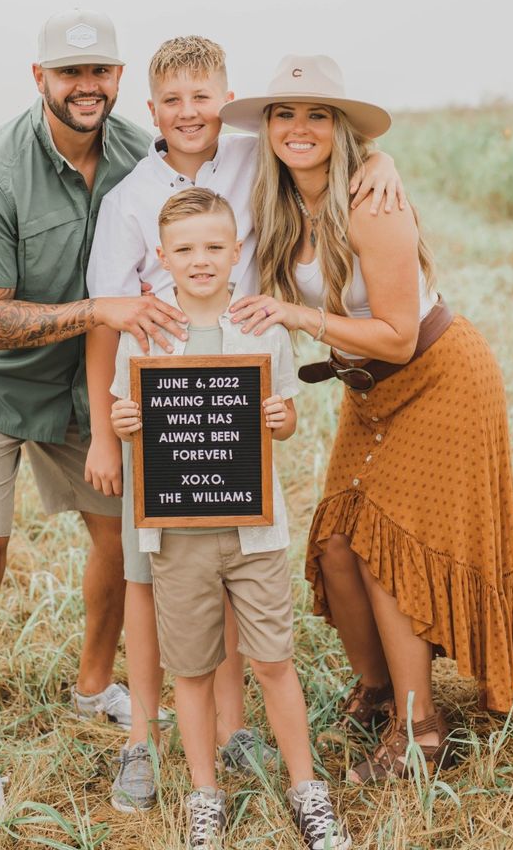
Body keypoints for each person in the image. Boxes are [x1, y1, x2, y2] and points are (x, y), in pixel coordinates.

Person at [84, 35, 402, 811]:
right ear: (151, 110)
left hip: (236, 384)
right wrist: (104, 429)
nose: (191, 113)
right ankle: (142, 740)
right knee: (149, 570)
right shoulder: (130, 197)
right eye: (174, 101)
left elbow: (320, 152)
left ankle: (236, 734)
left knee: (227, 553)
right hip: (154, 395)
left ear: (224, 100)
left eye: (204, 98)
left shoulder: (255, 159)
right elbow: (106, 320)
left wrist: (380, 163)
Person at [221, 54, 513, 783]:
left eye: (317, 114)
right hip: (369, 392)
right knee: (336, 544)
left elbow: (398, 333)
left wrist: (296, 313)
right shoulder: (276, 200)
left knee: (386, 548)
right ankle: (376, 693)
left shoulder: (371, 202)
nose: (298, 127)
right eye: (284, 113)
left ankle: (419, 729)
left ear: (340, 128)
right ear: (267, 126)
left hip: (437, 377)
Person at [0, 9, 189, 827]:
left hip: (86, 382)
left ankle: (92, 687)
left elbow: (237, 158)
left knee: (120, 538)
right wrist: (99, 308)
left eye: (102, 72)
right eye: (71, 73)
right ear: (39, 80)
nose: (88, 87)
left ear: (118, 79)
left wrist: (376, 158)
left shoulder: (132, 152)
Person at [110, 187, 351, 850]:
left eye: (215, 247)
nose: (201, 259)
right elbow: (123, 415)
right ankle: (204, 796)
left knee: (273, 659)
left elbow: (285, 417)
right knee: (190, 670)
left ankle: (307, 790)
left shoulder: (262, 329)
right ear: (162, 257)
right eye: (186, 250)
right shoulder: (146, 334)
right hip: (176, 536)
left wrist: (284, 419)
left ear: (236, 251)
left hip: (253, 533)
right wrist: (125, 422)